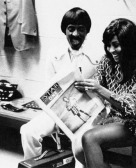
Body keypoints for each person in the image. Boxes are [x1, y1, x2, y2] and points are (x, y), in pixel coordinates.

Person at [72, 18, 136, 168]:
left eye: (116, 45)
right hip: (113, 117)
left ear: (128, 43)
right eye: (108, 45)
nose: (111, 50)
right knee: (78, 148)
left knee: (89, 138)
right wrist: (85, 87)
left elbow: (134, 109)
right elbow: (98, 87)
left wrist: (99, 89)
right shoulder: (107, 60)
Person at [20, 7, 93, 163]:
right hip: (57, 112)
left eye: (81, 29)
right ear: (64, 30)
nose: (75, 34)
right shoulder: (53, 55)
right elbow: (49, 92)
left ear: (87, 31)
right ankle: (35, 165)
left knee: (80, 142)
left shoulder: (96, 58)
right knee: (27, 131)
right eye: (71, 29)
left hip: (86, 115)